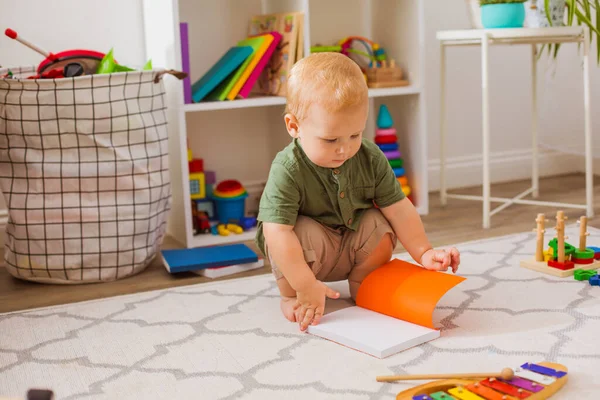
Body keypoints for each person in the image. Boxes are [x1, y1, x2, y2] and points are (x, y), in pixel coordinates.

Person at [255, 52, 460, 332]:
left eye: (355, 134)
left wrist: (424, 252)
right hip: (309, 256)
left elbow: (399, 208)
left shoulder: (370, 157)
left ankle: (363, 283)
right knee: (291, 231)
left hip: (352, 245)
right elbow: (276, 232)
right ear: (294, 127)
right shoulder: (287, 168)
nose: (344, 148)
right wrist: (304, 284)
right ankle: (292, 295)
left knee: (378, 222)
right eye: (330, 139)